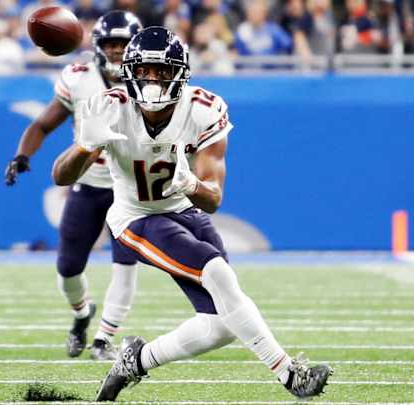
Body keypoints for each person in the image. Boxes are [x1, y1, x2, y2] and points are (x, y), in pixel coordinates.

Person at [51, 27, 333, 400]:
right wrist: (85, 145)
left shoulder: (202, 110)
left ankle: (136, 361)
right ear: (130, 73)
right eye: (144, 71)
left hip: (185, 210)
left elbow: (213, 200)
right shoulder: (110, 108)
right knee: (217, 272)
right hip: (137, 217)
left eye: (162, 71)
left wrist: (192, 185)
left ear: (180, 74)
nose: (152, 80)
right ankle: (289, 375)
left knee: (220, 325)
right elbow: (61, 175)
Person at [4, 11, 142, 361]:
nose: (117, 50)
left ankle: (103, 340)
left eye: (123, 44)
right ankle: (82, 314)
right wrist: (22, 155)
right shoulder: (79, 78)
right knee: (67, 268)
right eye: (110, 43)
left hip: (130, 190)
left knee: (125, 265)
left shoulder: (150, 80)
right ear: (97, 46)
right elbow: (42, 124)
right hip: (88, 184)